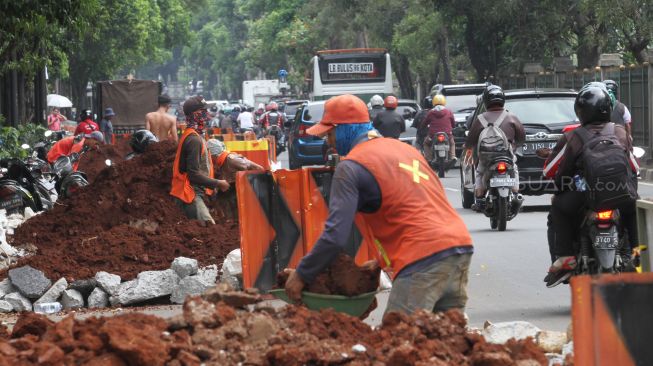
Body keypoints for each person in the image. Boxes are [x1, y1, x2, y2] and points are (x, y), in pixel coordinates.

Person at [284, 94, 474, 315]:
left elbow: (335, 235)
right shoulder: (406, 151)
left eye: (330, 134)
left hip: (422, 257)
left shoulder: (350, 167)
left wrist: (302, 274)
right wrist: (378, 262)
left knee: (399, 341)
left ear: (344, 129)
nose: (329, 142)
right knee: (448, 339)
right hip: (459, 247)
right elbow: (418, 206)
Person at [542, 82, 639, 287]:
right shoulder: (620, 132)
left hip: (585, 196)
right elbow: (634, 167)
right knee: (632, 210)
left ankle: (565, 257)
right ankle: (637, 253)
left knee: (558, 208)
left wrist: (560, 183)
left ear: (580, 111)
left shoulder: (573, 136)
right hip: (619, 195)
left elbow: (550, 169)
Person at [170, 96, 229, 225]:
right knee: (209, 228)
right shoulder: (194, 140)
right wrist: (219, 183)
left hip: (193, 192)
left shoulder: (194, 135)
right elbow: (193, 174)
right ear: (196, 115)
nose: (207, 115)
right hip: (189, 194)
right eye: (204, 112)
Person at [464, 86, 525, 210]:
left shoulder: (480, 119)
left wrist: (468, 147)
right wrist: (514, 145)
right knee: (514, 169)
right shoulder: (511, 117)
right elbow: (521, 138)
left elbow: (470, 141)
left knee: (480, 172)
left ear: (486, 101)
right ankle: (515, 193)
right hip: (506, 155)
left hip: (486, 157)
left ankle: (480, 197)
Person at [422, 95, 456, 161]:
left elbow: (424, 123)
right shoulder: (449, 112)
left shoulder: (431, 112)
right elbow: (453, 124)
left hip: (432, 135)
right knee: (452, 143)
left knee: (426, 144)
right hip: (447, 134)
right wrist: (453, 127)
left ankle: (429, 159)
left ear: (433, 102)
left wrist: (423, 127)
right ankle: (452, 157)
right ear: (444, 102)